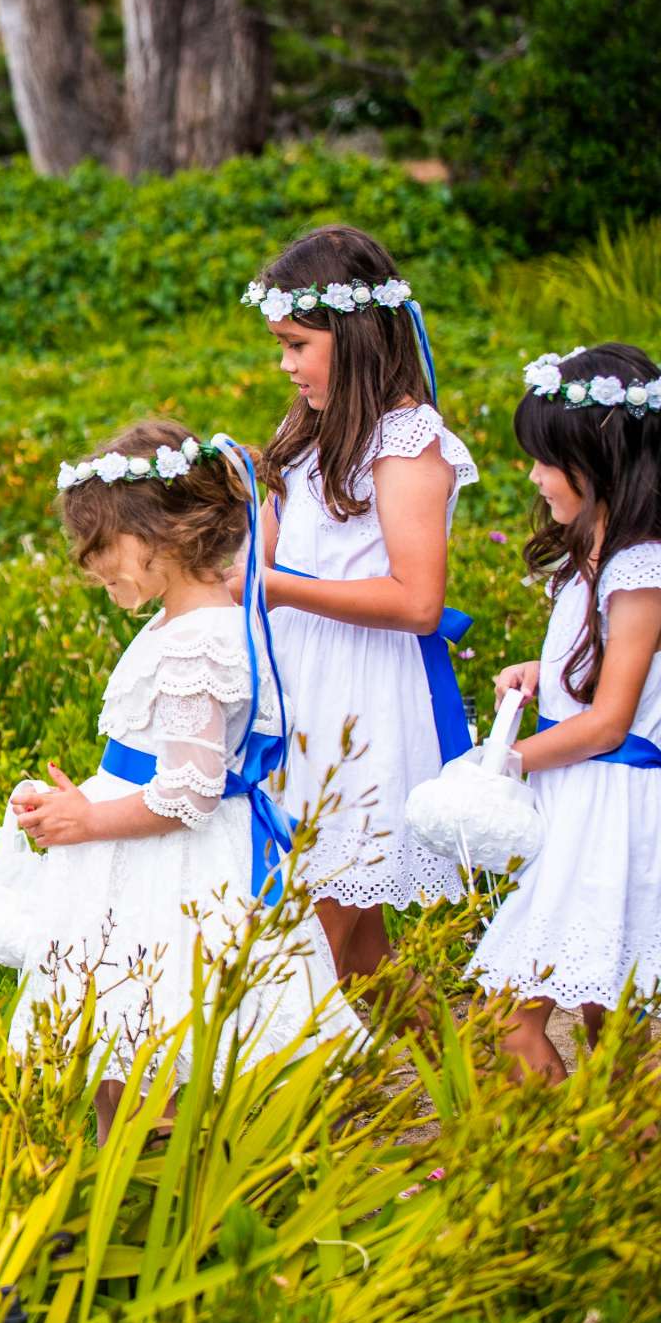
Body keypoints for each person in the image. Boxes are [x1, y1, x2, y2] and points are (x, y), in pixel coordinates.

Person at [0, 420, 357, 1138]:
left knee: (150, 1044)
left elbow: (189, 791)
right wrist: (76, 800)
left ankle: (155, 1191)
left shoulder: (199, 639)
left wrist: (88, 820)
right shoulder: (186, 622)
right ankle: (123, 1179)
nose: (90, 564)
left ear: (159, 535)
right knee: (114, 1041)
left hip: (171, 871)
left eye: (102, 547)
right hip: (140, 856)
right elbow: (154, 761)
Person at [468, 345, 661, 1082]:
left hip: (608, 805)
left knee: (514, 1014)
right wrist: (543, 677)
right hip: (582, 797)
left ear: (603, 458)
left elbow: (613, 722)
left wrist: (505, 763)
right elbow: (607, 682)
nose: (534, 476)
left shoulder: (645, 571)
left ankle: (572, 1169)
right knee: (604, 1019)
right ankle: (616, 1162)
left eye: (547, 461)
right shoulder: (604, 554)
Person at [243, 224, 480, 981]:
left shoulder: (406, 443)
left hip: (363, 698)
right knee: (361, 953)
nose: (284, 364)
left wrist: (278, 591)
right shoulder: (309, 428)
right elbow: (270, 553)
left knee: (306, 943)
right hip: (299, 685)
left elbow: (416, 601)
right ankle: (461, 1085)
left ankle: (282, 1094)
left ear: (353, 336)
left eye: (296, 344)